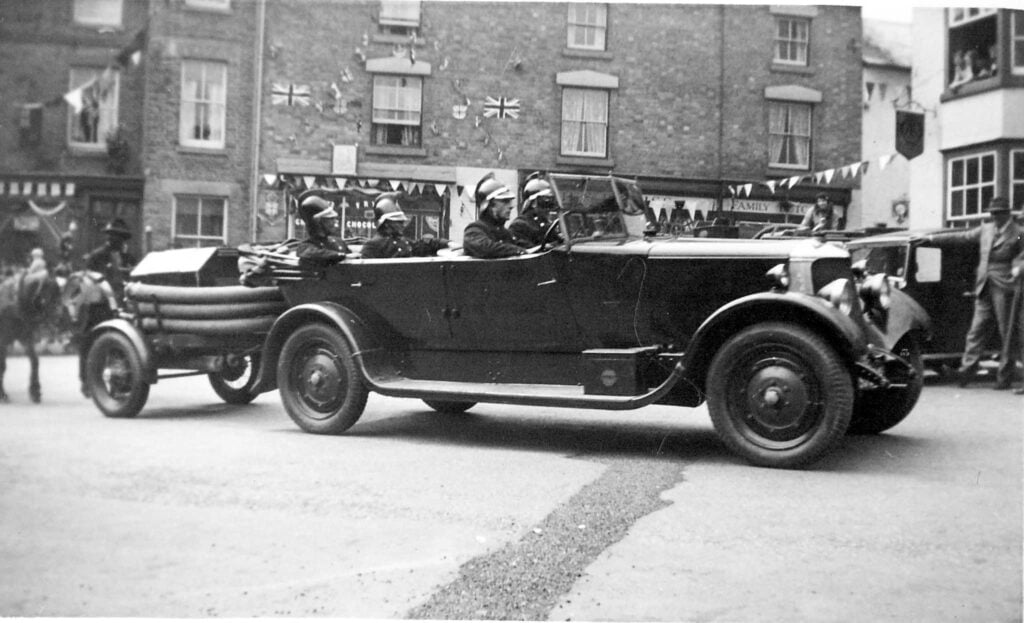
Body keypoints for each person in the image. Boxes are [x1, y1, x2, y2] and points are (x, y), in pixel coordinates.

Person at [919, 197, 1024, 389]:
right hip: (984, 286)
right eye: (992, 213)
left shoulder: (1018, 233)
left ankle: (1004, 378)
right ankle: (966, 373)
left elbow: (1022, 255)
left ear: (1007, 213)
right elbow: (962, 237)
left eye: (999, 213)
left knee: (1007, 333)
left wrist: (1018, 267)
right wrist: (932, 239)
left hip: (1006, 286)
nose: (994, 216)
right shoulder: (985, 230)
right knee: (976, 331)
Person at [360, 193, 449, 259]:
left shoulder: (402, 241)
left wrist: (446, 243)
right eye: (398, 222)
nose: (402, 225)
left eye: (402, 222)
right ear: (386, 224)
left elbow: (422, 245)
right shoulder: (372, 246)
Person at [462, 173, 527, 259]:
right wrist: (519, 251)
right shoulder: (474, 230)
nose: (511, 206)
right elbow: (485, 248)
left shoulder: (505, 233)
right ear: (490, 205)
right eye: (505, 201)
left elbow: (523, 246)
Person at [83, 218, 136, 302]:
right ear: (109, 236)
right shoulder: (96, 256)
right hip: (102, 302)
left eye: (121, 237)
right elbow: (87, 280)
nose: (119, 240)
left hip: (123, 300)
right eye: (114, 235)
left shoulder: (128, 258)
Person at [292, 190, 349, 267]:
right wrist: (341, 255)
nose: (335, 222)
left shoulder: (339, 242)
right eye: (330, 219)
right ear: (318, 222)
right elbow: (311, 254)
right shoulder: (306, 246)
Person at [508, 172, 554, 248]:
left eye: (550, 199)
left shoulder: (546, 224)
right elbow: (523, 247)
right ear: (533, 203)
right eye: (545, 200)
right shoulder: (519, 225)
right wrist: (543, 247)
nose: (548, 207)